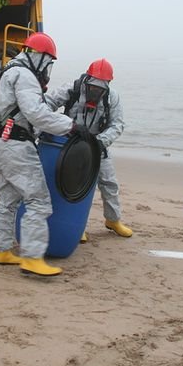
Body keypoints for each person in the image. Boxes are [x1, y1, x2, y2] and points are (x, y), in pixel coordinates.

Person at [0, 32, 82, 277]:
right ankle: (32, 258)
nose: (48, 68)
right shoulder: (26, 75)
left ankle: (0, 250)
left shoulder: (6, 71)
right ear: (40, 56)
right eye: (49, 62)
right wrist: (69, 126)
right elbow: (36, 113)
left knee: (7, 200)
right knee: (38, 201)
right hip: (17, 147)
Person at [46, 58, 133, 241]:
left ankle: (113, 220)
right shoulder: (71, 89)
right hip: (71, 145)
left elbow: (118, 125)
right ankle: (76, 225)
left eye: (100, 89)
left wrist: (101, 142)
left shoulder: (112, 98)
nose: (95, 92)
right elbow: (46, 104)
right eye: (93, 87)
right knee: (72, 185)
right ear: (87, 79)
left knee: (109, 183)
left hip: (97, 145)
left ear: (107, 86)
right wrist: (58, 127)